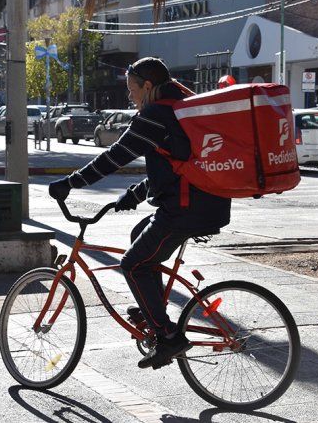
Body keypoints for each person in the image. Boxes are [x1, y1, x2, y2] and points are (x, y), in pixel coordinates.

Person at [48, 57, 231, 369]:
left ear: (148, 87)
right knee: (139, 235)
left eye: (132, 89)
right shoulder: (180, 107)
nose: (129, 96)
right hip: (202, 203)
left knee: (132, 264)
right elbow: (177, 166)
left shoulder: (156, 114)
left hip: (186, 209)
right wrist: (135, 194)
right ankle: (152, 309)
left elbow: (115, 156)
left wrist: (71, 182)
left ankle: (167, 336)